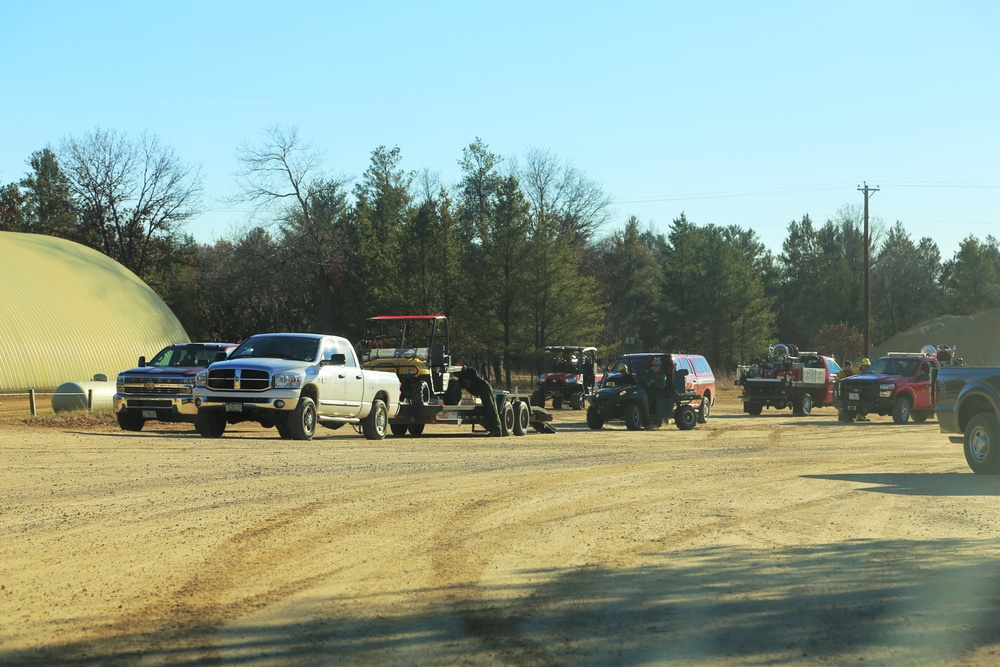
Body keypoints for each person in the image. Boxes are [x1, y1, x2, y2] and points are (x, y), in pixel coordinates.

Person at [457, 366, 503, 436]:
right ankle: (494, 429)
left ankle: (497, 429)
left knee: (490, 408)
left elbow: (473, 375)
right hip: (482, 389)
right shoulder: (462, 379)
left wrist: (463, 375)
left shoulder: (468, 372)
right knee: (489, 408)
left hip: (484, 388)